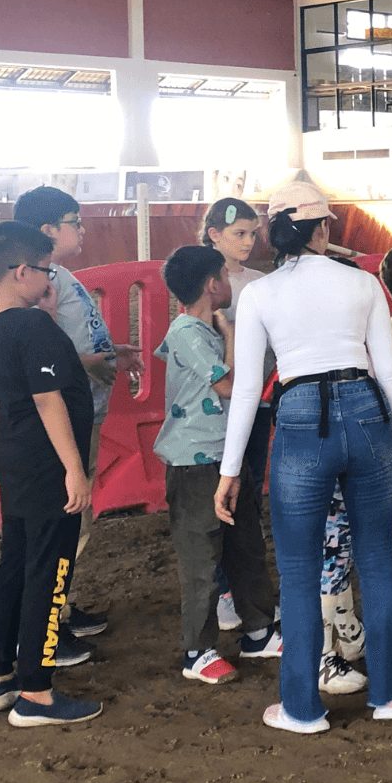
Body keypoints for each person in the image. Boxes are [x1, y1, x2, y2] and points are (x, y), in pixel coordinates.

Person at [215, 184, 392, 733]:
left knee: (299, 569)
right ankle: (387, 693)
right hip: (366, 413)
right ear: (322, 229)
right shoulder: (362, 284)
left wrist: (230, 469)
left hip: (299, 414)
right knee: (377, 559)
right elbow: (387, 374)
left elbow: (245, 390)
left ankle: (302, 708)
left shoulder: (259, 295)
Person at [0, 221, 102, 727]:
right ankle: (37, 692)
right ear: (21, 270)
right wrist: (75, 469)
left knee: (16, 563)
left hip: (15, 456)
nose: (51, 283)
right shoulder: (33, 327)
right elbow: (49, 401)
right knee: (50, 572)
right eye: (45, 272)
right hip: (47, 462)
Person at [13, 187, 138, 649]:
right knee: (67, 520)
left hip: (81, 410)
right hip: (65, 415)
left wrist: (107, 354)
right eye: (74, 222)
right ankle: (50, 625)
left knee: (75, 520)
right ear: (48, 231)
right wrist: (91, 361)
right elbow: (43, 352)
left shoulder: (60, 276)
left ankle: (60, 608)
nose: (82, 229)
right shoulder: (43, 283)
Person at [153, 245, 277, 685]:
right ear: (212, 285)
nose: (230, 284)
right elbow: (229, 384)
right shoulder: (187, 329)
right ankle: (197, 650)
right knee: (202, 557)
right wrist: (230, 335)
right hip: (195, 462)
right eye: (225, 276)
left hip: (225, 457)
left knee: (244, 544)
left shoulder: (198, 330)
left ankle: (258, 629)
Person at [201, 197, 266, 635]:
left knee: (250, 496)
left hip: (258, 402)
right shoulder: (205, 286)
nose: (248, 241)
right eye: (239, 233)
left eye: (252, 233)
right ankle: (224, 590)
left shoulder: (262, 282)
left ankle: (245, 589)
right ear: (214, 235)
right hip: (219, 409)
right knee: (223, 498)